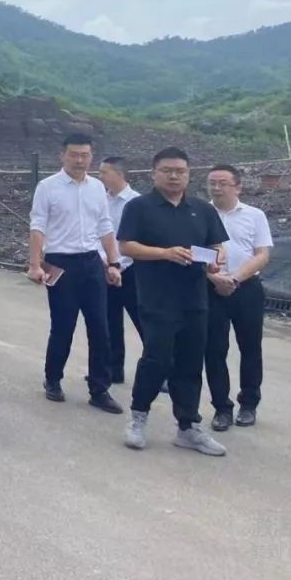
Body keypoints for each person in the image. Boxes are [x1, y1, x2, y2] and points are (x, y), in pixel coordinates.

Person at [119, 147, 229, 456]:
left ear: (188, 175)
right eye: (167, 170)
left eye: (180, 171)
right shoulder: (139, 207)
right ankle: (138, 417)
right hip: (157, 298)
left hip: (195, 298)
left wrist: (216, 260)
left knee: (191, 362)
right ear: (154, 173)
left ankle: (188, 426)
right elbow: (126, 246)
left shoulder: (202, 209)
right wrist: (165, 253)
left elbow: (217, 245)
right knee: (157, 359)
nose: (174, 176)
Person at [27, 134, 124, 414]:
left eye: (84, 155)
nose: (79, 160)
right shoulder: (48, 187)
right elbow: (38, 226)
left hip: (92, 262)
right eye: (74, 154)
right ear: (63, 155)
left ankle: (99, 388)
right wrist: (35, 264)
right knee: (63, 325)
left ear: (91, 157)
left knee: (100, 327)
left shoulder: (97, 187)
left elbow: (105, 226)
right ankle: (53, 379)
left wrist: (114, 263)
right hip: (59, 263)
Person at [204, 164, 273, 431]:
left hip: (247, 288)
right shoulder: (200, 213)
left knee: (250, 347)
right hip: (211, 288)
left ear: (238, 187)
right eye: (212, 183)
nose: (216, 188)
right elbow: (195, 253)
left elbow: (262, 254)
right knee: (214, 349)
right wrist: (215, 278)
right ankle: (222, 407)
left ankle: (249, 403)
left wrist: (234, 278)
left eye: (222, 183)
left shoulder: (254, 215)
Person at [98, 156, 142, 384]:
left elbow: (138, 239)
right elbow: (96, 233)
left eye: (104, 172)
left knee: (143, 321)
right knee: (110, 322)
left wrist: (119, 263)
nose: (100, 177)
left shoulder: (137, 202)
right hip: (105, 268)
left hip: (132, 269)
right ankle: (113, 369)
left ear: (119, 174)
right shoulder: (100, 200)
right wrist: (107, 263)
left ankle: (161, 371)